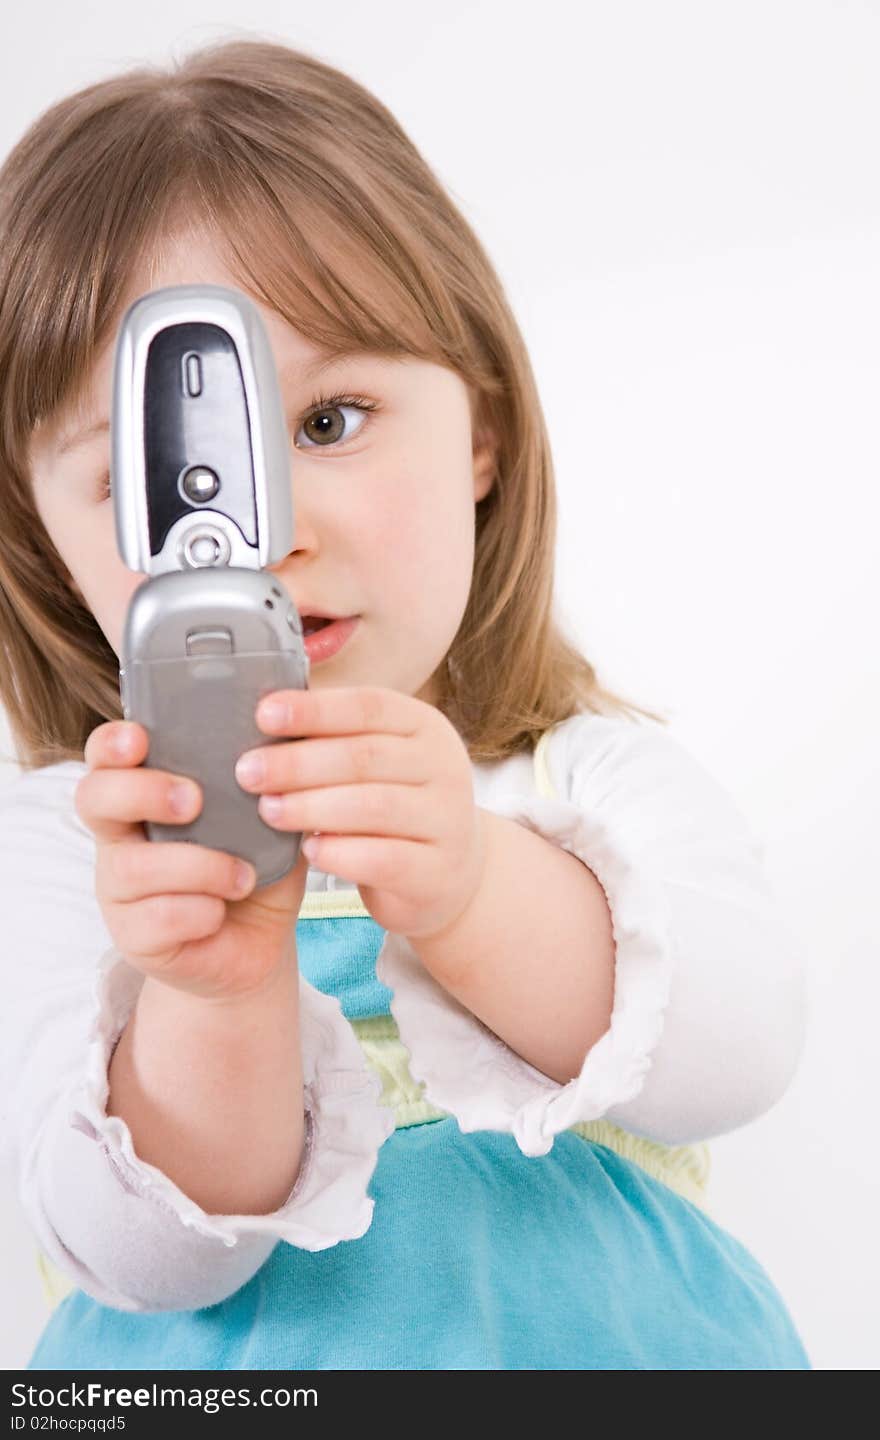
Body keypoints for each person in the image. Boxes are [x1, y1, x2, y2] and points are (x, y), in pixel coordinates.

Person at [0, 39, 810, 1370]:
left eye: (329, 423)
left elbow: (738, 1061)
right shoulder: (64, 854)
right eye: (159, 475)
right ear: (47, 540)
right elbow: (135, 1263)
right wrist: (206, 993)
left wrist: (478, 892)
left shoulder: (586, 782)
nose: (268, 534)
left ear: (480, 436)